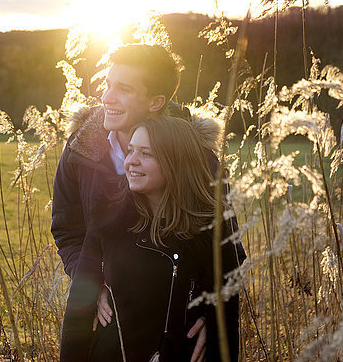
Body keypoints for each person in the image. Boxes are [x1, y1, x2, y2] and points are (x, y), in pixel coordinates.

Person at [51, 44, 245, 358]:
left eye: (123, 89)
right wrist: (91, 285)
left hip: (178, 325)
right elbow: (67, 229)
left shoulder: (196, 157)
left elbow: (225, 248)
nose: (107, 98)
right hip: (108, 318)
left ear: (156, 102)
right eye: (108, 85)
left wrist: (213, 317)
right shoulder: (80, 150)